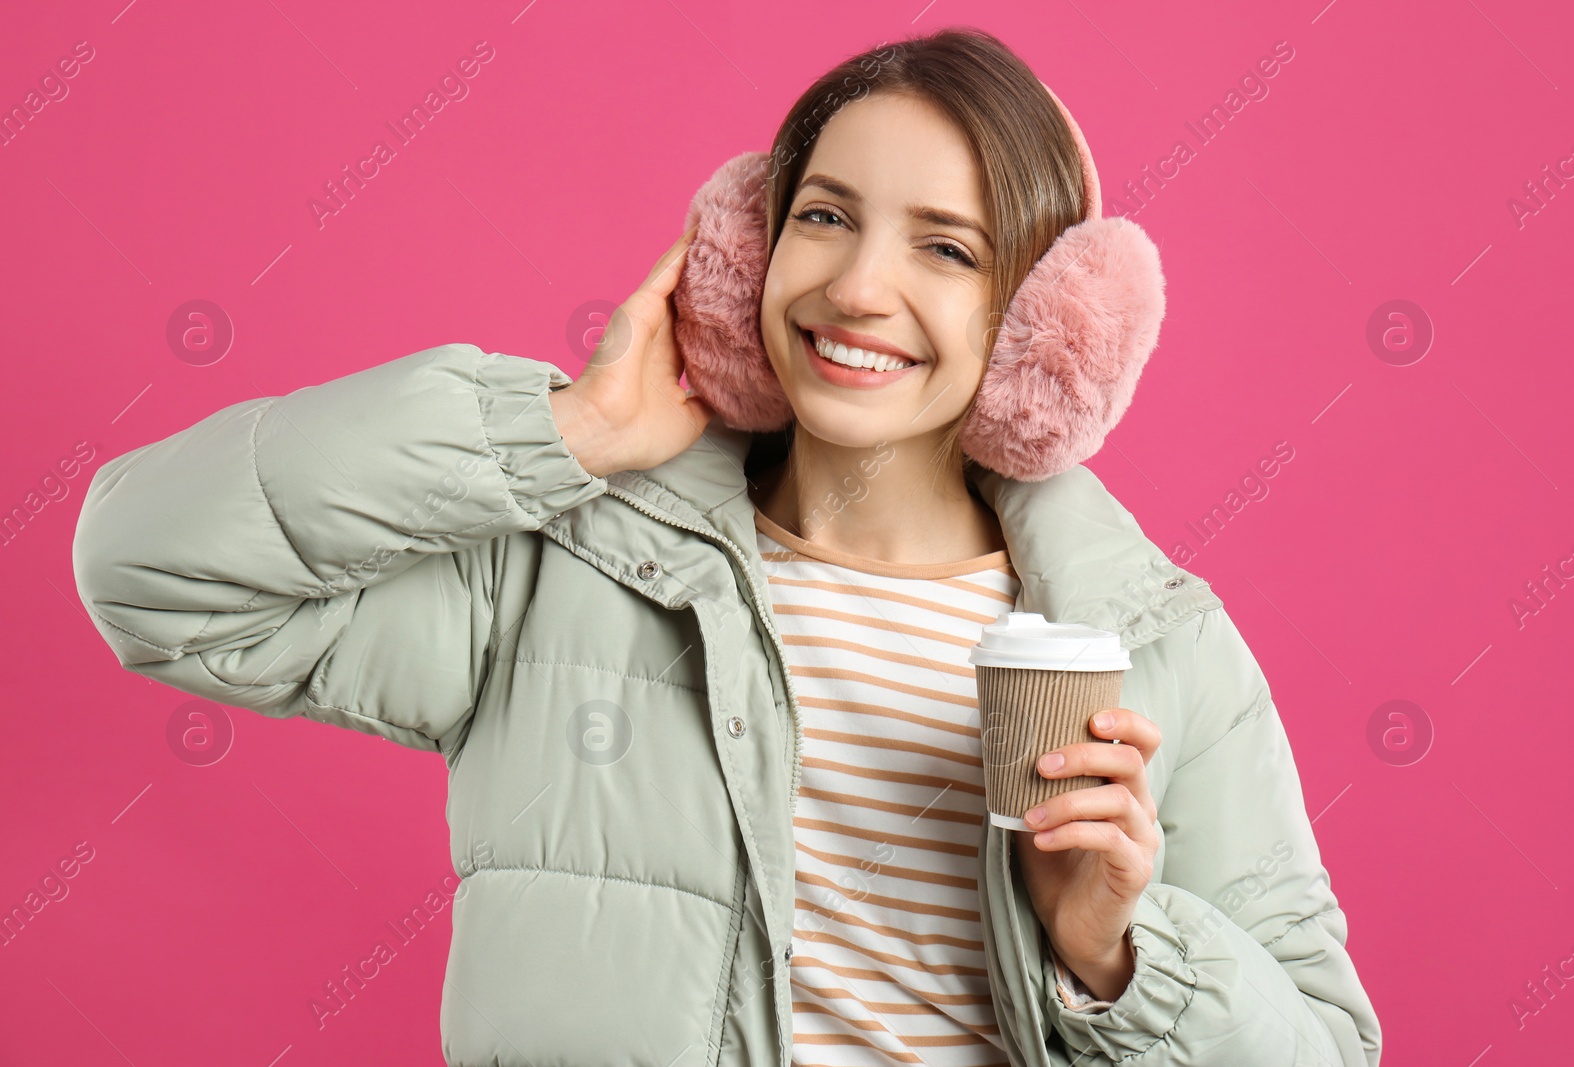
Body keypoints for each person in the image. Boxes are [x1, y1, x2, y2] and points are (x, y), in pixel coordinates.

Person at [73, 27, 1381, 1067]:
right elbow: (151, 568)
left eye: (946, 246)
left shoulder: (1161, 649)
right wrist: (565, 435)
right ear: (744, 251)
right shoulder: (565, 569)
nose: (859, 287)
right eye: (823, 216)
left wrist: (1118, 947)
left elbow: (1324, 1051)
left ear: (1049, 321)